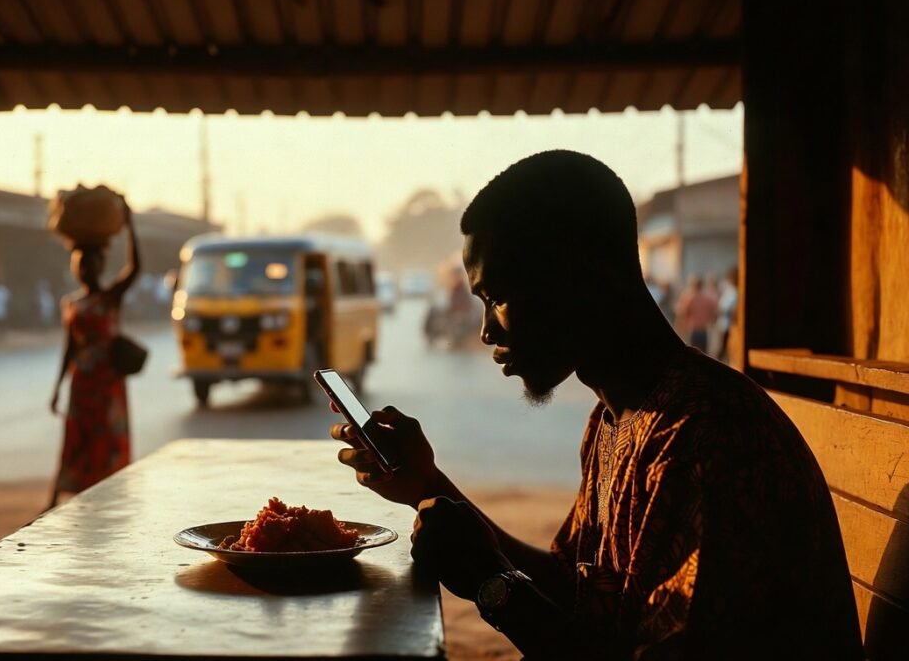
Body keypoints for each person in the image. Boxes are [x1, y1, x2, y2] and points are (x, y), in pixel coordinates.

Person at [328, 151, 862, 659]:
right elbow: (574, 589)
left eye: (498, 297)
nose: (487, 330)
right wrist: (427, 485)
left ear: (580, 277)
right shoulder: (616, 418)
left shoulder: (710, 441)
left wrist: (492, 584)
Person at [47, 202, 140, 509]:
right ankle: (56, 497)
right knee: (76, 439)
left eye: (91, 264)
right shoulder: (71, 304)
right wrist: (57, 388)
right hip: (82, 384)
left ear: (101, 266)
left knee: (107, 440)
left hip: (108, 384)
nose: (86, 269)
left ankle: (110, 497)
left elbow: (134, 269)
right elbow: (69, 349)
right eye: (81, 264)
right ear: (75, 268)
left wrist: (130, 225)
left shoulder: (111, 297)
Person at [673, 275, 717, 352]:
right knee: (704, 354)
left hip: (693, 330)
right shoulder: (707, 298)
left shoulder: (689, 298)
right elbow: (714, 313)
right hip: (703, 331)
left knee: (692, 354)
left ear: (693, 285)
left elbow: (682, 313)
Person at [716, 266, 739, 362]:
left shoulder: (735, 292)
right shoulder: (730, 291)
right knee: (722, 351)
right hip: (725, 325)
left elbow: (728, 309)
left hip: (730, 326)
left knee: (726, 352)